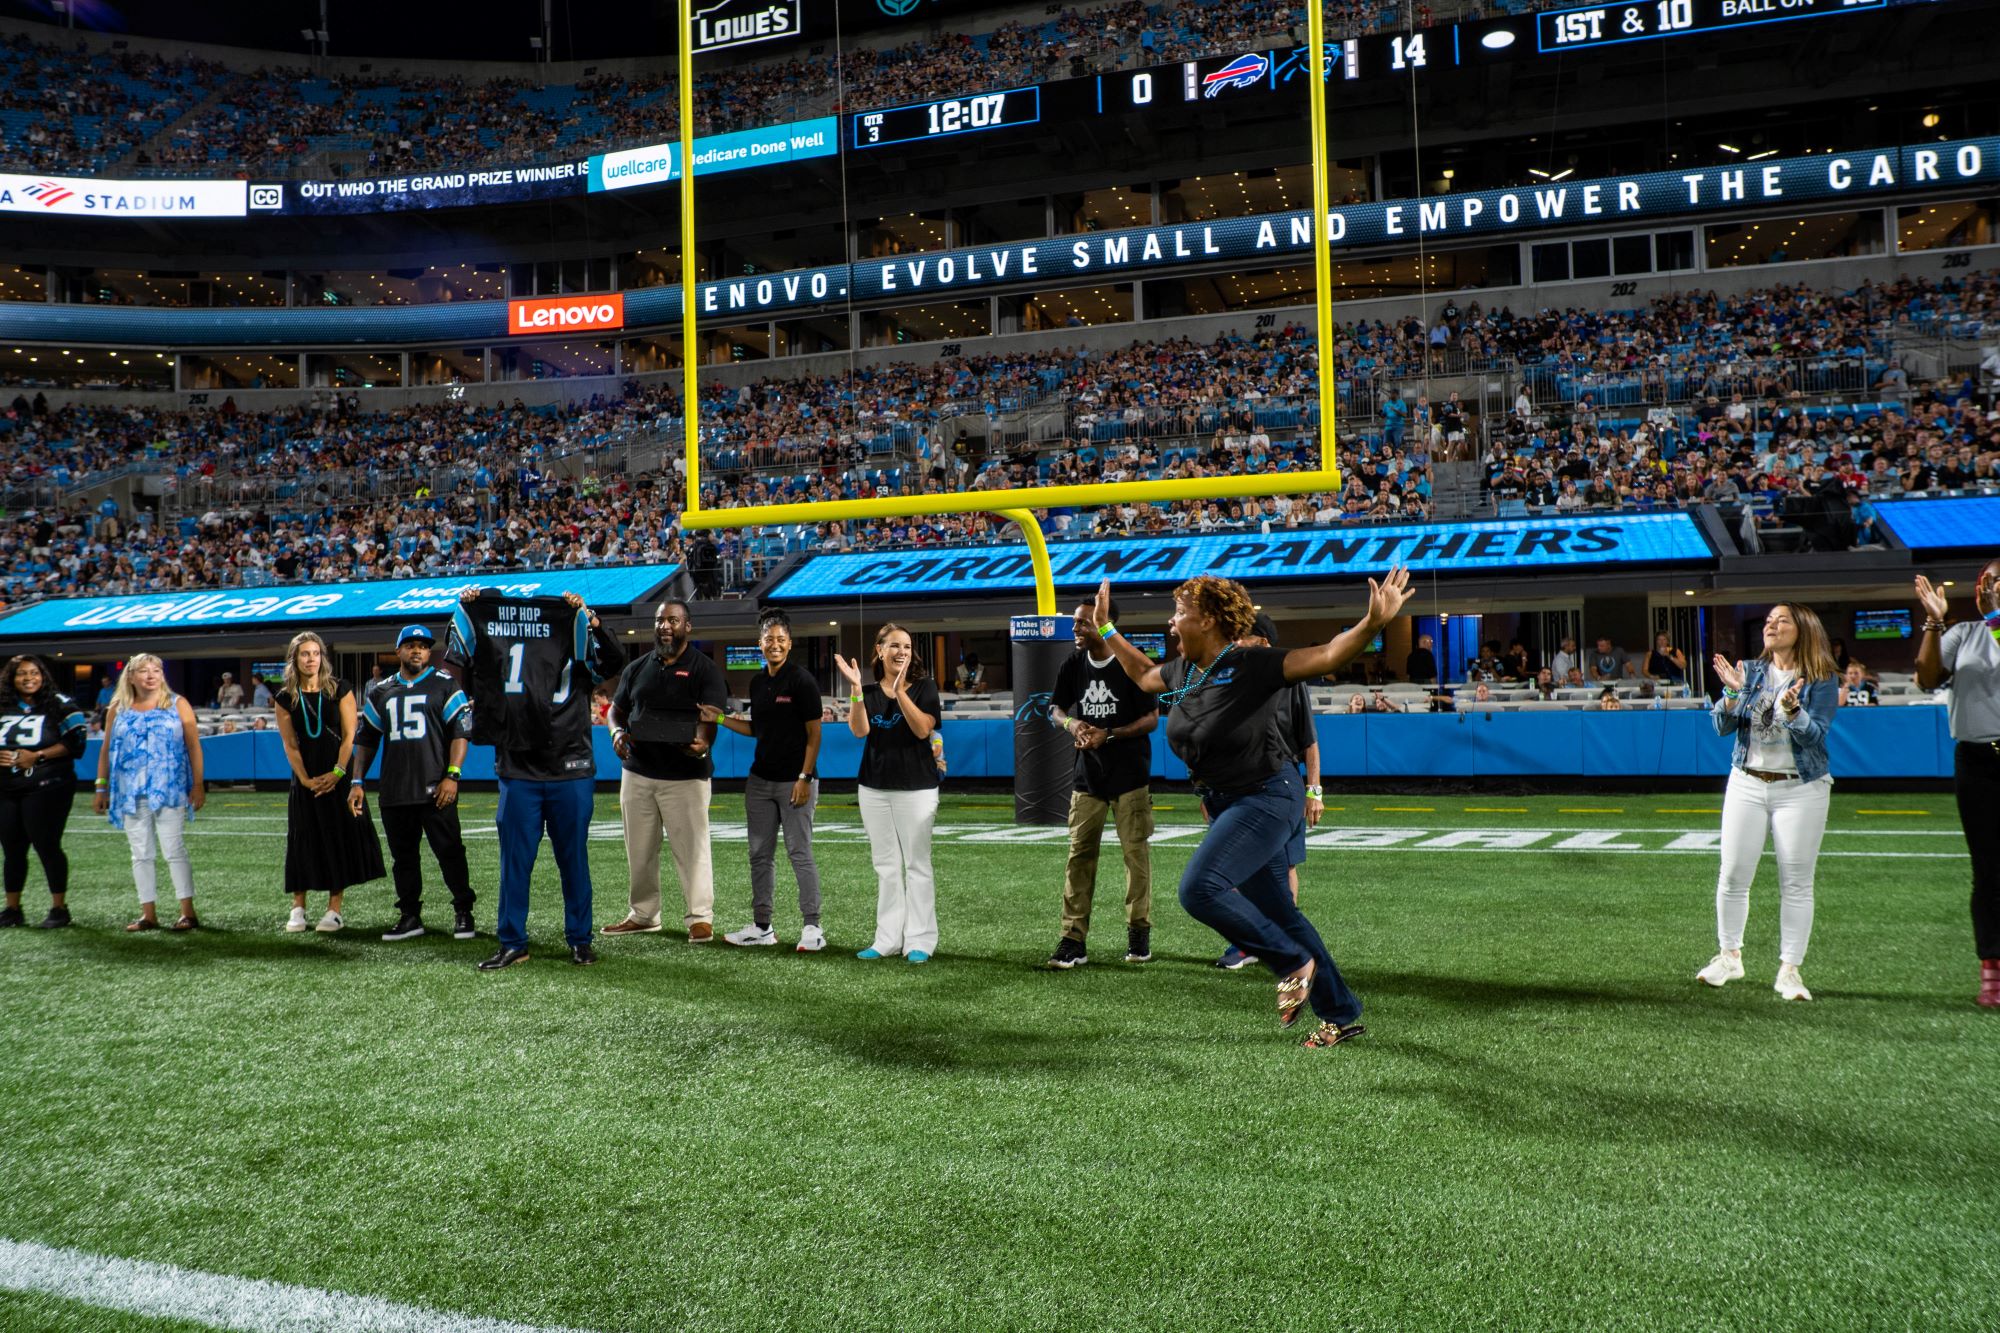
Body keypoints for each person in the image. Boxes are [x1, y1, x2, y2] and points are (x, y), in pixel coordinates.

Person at [1076, 568, 1414, 1049]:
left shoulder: (1251, 664)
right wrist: (1108, 629)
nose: (1172, 624)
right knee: (1282, 913)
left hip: (1269, 795)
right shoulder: (1184, 671)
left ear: (1210, 620)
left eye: (1180, 614)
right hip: (1229, 802)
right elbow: (1142, 674)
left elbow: (1326, 655)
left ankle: (1290, 963)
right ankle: (1340, 1015)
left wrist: (1373, 625)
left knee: (1198, 890)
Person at [448, 587, 622, 969]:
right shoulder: (494, 628)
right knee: (515, 862)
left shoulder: (575, 636)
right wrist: (474, 602)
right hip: (518, 767)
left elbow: (612, 660)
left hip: (569, 767)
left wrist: (591, 618)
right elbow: (460, 648)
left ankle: (580, 939)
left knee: (573, 860)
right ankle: (513, 941)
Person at [1701, 604, 1839, 1001]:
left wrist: (1793, 711)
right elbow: (1721, 726)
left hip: (1800, 788)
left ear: (1804, 630)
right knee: (1732, 874)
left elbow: (1815, 737)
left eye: (1782, 621)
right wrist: (1730, 691)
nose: (1771, 625)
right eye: (1768, 620)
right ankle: (1729, 956)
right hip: (1746, 781)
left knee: (1796, 881)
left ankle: (1790, 971)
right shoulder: (1750, 670)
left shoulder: (1822, 679)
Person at [603, 599, 726, 943]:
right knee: (639, 850)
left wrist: (704, 741)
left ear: (688, 627)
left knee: (693, 850)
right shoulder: (638, 667)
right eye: (660, 620)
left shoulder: (704, 669)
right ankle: (644, 914)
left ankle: (700, 918)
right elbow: (616, 710)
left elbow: (713, 715)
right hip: (638, 772)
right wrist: (616, 732)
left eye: (673, 620)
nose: (665, 626)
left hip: (686, 776)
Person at [1045, 596, 1158, 969]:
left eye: (1083, 623)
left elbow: (1152, 718)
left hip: (1130, 776)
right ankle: (1072, 939)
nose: (1075, 629)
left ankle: (1138, 933)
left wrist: (1108, 734)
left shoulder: (1132, 662)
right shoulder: (1073, 664)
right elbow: (1054, 709)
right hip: (1087, 776)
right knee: (1079, 857)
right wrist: (1072, 724)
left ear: (1104, 623)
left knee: (1135, 858)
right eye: (1076, 623)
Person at [703, 610, 826, 951]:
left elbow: (814, 736)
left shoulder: (802, 681)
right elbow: (758, 730)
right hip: (759, 781)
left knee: (799, 853)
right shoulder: (758, 683)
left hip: (794, 781)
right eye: (769, 639)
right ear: (760, 644)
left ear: (790, 643)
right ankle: (762, 927)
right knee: (759, 855)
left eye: (781, 639)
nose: (775, 644)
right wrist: (722, 718)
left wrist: (804, 777)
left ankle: (813, 927)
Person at [349, 625, 477, 942]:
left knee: (450, 853)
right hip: (395, 791)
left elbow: (461, 734)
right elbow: (366, 740)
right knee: (404, 859)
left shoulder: (445, 684)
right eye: (410, 645)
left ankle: (463, 910)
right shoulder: (381, 691)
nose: (417, 650)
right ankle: (410, 915)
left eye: (422, 645)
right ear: (399, 651)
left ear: (429, 652)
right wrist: (356, 780)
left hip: (436, 788)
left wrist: (453, 775)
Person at [1216, 612, 1324, 971]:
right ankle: (1248, 943)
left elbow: (1309, 741)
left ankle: (1282, 942)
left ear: (1262, 641)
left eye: (1241, 636)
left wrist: (1314, 791)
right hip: (1239, 783)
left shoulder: (1290, 679)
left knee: (1286, 864)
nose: (1234, 643)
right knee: (1238, 867)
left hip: (1283, 781)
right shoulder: (1231, 678)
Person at [1915, 563, 2000, 1005]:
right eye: (1997, 579)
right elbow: (1927, 676)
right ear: (1983, 587)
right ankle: (1993, 966)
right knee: (1988, 871)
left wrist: (1994, 621)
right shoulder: (1964, 632)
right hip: (1979, 759)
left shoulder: (1988, 626)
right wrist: (1933, 621)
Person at [836, 624, 942, 963]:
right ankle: (886, 939)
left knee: (917, 866)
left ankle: (920, 941)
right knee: (886, 866)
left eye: (908, 647)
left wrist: (900, 693)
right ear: (880, 651)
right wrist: (855, 689)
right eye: (895, 646)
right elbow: (859, 730)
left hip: (918, 789)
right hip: (874, 788)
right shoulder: (866, 691)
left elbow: (924, 729)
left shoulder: (925, 687)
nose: (902, 652)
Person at [273, 631, 385, 933]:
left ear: (322, 657)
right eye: (305, 654)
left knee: (337, 837)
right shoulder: (284, 697)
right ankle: (298, 907)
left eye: (315, 653)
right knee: (302, 837)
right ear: (295, 659)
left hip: (338, 774)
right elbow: (290, 745)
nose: (311, 659)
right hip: (305, 778)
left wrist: (337, 772)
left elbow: (351, 735)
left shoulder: (340, 689)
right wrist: (306, 781)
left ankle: (334, 909)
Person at [93, 654, 204, 931]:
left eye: (156, 670)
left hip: (170, 788)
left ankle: (187, 912)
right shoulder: (117, 708)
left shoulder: (178, 704)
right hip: (130, 791)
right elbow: (106, 749)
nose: (151, 675)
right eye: (144, 671)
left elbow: (193, 746)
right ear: (131, 677)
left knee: (174, 849)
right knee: (140, 853)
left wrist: (198, 784)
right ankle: (148, 914)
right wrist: (101, 786)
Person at [0, 655, 87, 929]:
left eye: (34, 673)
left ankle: (59, 908)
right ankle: (12, 909)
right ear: (11, 677)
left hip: (48, 785)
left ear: (43, 675)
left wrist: (36, 756)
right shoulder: (3, 704)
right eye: (21, 673)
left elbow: (76, 743)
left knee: (46, 844)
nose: (29, 678)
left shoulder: (60, 704)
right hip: (6, 787)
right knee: (11, 848)